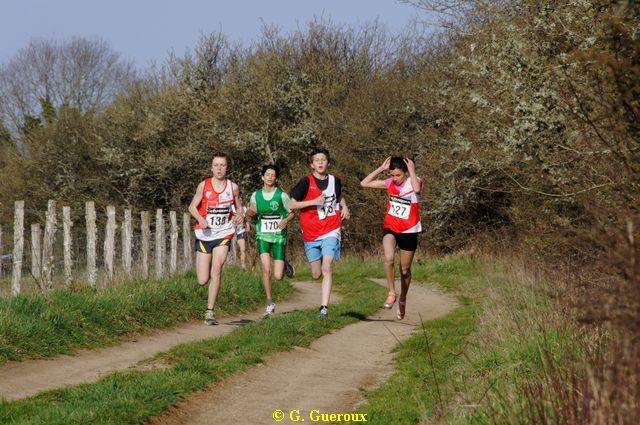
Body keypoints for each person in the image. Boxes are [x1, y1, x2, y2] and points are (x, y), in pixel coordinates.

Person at [289, 148, 350, 318]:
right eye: (317, 160)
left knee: (326, 268)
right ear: (312, 164)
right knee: (316, 274)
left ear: (328, 163)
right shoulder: (305, 182)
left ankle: (324, 308)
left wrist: (345, 207)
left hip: (331, 229)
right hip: (311, 233)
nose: (320, 162)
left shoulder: (335, 181)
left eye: (323, 159)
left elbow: (338, 197)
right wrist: (313, 202)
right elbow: (290, 204)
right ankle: (316, 260)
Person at [360, 156, 422, 320]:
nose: (395, 178)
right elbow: (364, 183)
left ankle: (403, 298)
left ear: (405, 172)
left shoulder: (415, 181)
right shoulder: (389, 183)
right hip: (391, 227)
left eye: (398, 175)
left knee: (405, 270)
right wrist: (381, 169)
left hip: (409, 230)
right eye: (392, 175)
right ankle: (391, 293)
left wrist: (412, 170)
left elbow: (416, 189)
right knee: (388, 258)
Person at [188, 152, 244, 325]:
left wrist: (239, 216)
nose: (219, 168)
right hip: (205, 234)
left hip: (223, 233)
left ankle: (210, 312)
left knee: (217, 269)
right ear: (211, 168)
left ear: (227, 168)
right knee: (202, 280)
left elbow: (239, 208)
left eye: (222, 165)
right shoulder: (203, 186)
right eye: (216, 165)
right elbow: (192, 207)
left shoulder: (233, 187)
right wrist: (200, 219)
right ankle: (208, 306)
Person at [246, 164, 295, 316]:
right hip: (263, 236)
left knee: (278, 276)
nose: (270, 177)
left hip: (279, 237)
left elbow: (292, 212)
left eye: (273, 175)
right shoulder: (256, 195)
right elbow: (251, 212)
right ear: (262, 177)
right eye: (267, 174)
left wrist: (285, 221)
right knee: (266, 269)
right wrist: (248, 214)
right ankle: (269, 302)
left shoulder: (282, 195)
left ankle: (285, 264)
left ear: (276, 178)